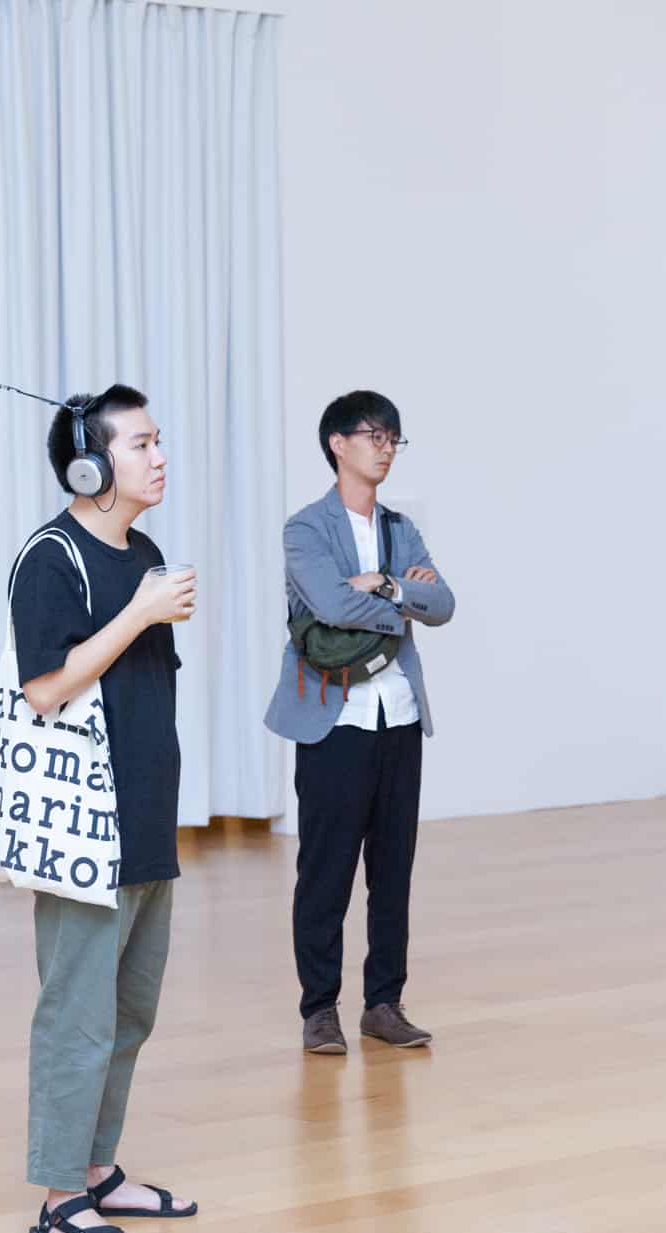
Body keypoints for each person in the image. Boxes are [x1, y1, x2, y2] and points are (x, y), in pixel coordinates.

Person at [11, 387, 197, 1233]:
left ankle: (95, 1167)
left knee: (129, 1010)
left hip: (147, 817)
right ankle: (59, 1198)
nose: (159, 457)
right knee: (76, 1015)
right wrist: (140, 613)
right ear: (90, 466)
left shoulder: (146, 554)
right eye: (142, 444)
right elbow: (45, 687)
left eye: (160, 441)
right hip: (85, 826)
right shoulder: (51, 559)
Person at [265, 391, 455, 1055]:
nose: (386, 447)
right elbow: (329, 605)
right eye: (374, 435)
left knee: (393, 871)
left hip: (399, 716)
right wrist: (398, 597)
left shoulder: (401, 529)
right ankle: (320, 1009)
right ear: (337, 444)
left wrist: (387, 585)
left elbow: (443, 602)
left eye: (393, 437)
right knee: (326, 871)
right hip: (334, 720)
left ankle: (384, 1003)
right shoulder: (305, 528)